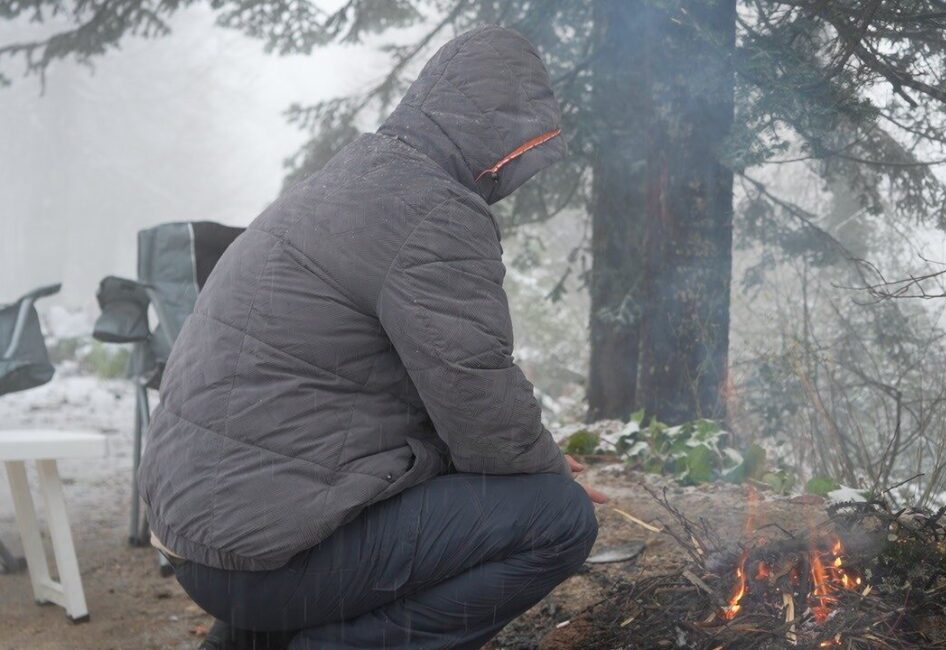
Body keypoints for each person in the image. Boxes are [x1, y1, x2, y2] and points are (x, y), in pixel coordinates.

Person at [137, 26, 607, 650]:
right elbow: (474, 387)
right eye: (521, 146)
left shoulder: (345, 183)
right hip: (259, 559)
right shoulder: (429, 207)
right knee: (558, 520)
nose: (515, 168)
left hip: (201, 538)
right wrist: (544, 472)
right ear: (493, 128)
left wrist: (527, 453)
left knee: (347, 501)